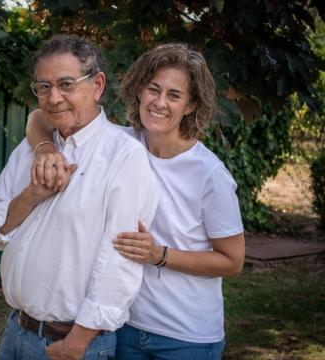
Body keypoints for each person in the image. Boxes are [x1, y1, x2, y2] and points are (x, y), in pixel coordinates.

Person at [26, 43, 245, 360]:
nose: (159, 103)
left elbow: (233, 261)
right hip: (124, 326)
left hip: (185, 337)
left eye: (174, 95)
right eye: (153, 90)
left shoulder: (209, 174)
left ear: (191, 105)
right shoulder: (119, 143)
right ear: (139, 91)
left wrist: (161, 255)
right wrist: (46, 150)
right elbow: (37, 118)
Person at [0, 34, 159, 360]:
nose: (54, 97)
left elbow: (119, 262)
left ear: (97, 85)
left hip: (71, 345)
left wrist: (77, 343)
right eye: (43, 87)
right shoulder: (31, 150)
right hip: (16, 331)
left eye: (66, 84)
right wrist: (32, 194)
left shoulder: (123, 156)